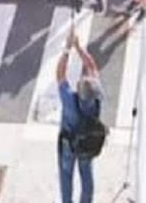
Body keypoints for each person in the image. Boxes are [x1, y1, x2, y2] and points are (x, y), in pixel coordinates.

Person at [55, 30, 103, 203]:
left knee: (66, 176)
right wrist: (79, 48)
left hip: (68, 144)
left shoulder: (69, 100)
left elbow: (60, 74)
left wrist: (68, 48)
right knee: (87, 176)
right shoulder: (97, 98)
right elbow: (92, 66)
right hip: (87, 143)